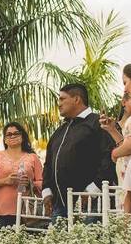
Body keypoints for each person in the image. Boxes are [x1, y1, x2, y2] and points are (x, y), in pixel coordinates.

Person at [42, 83, 116, 221]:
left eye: (62, 99)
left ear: (77, 99)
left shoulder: (98, 123)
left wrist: (93, 190)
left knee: (90, 242)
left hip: (92, 203)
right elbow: (48, 163)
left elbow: (110, 156)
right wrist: (47, 191)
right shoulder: (60, 131)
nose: (59, 104)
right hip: (59, 206)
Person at [0, 121, 43, 230]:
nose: (13, 136)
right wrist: (6, 181)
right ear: (5, 139)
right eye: (9, 134)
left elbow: (43, 183)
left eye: (16, 133)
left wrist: (30, 184)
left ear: (22, 136)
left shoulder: (33, 158)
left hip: (27, 213)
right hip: (1, 212)